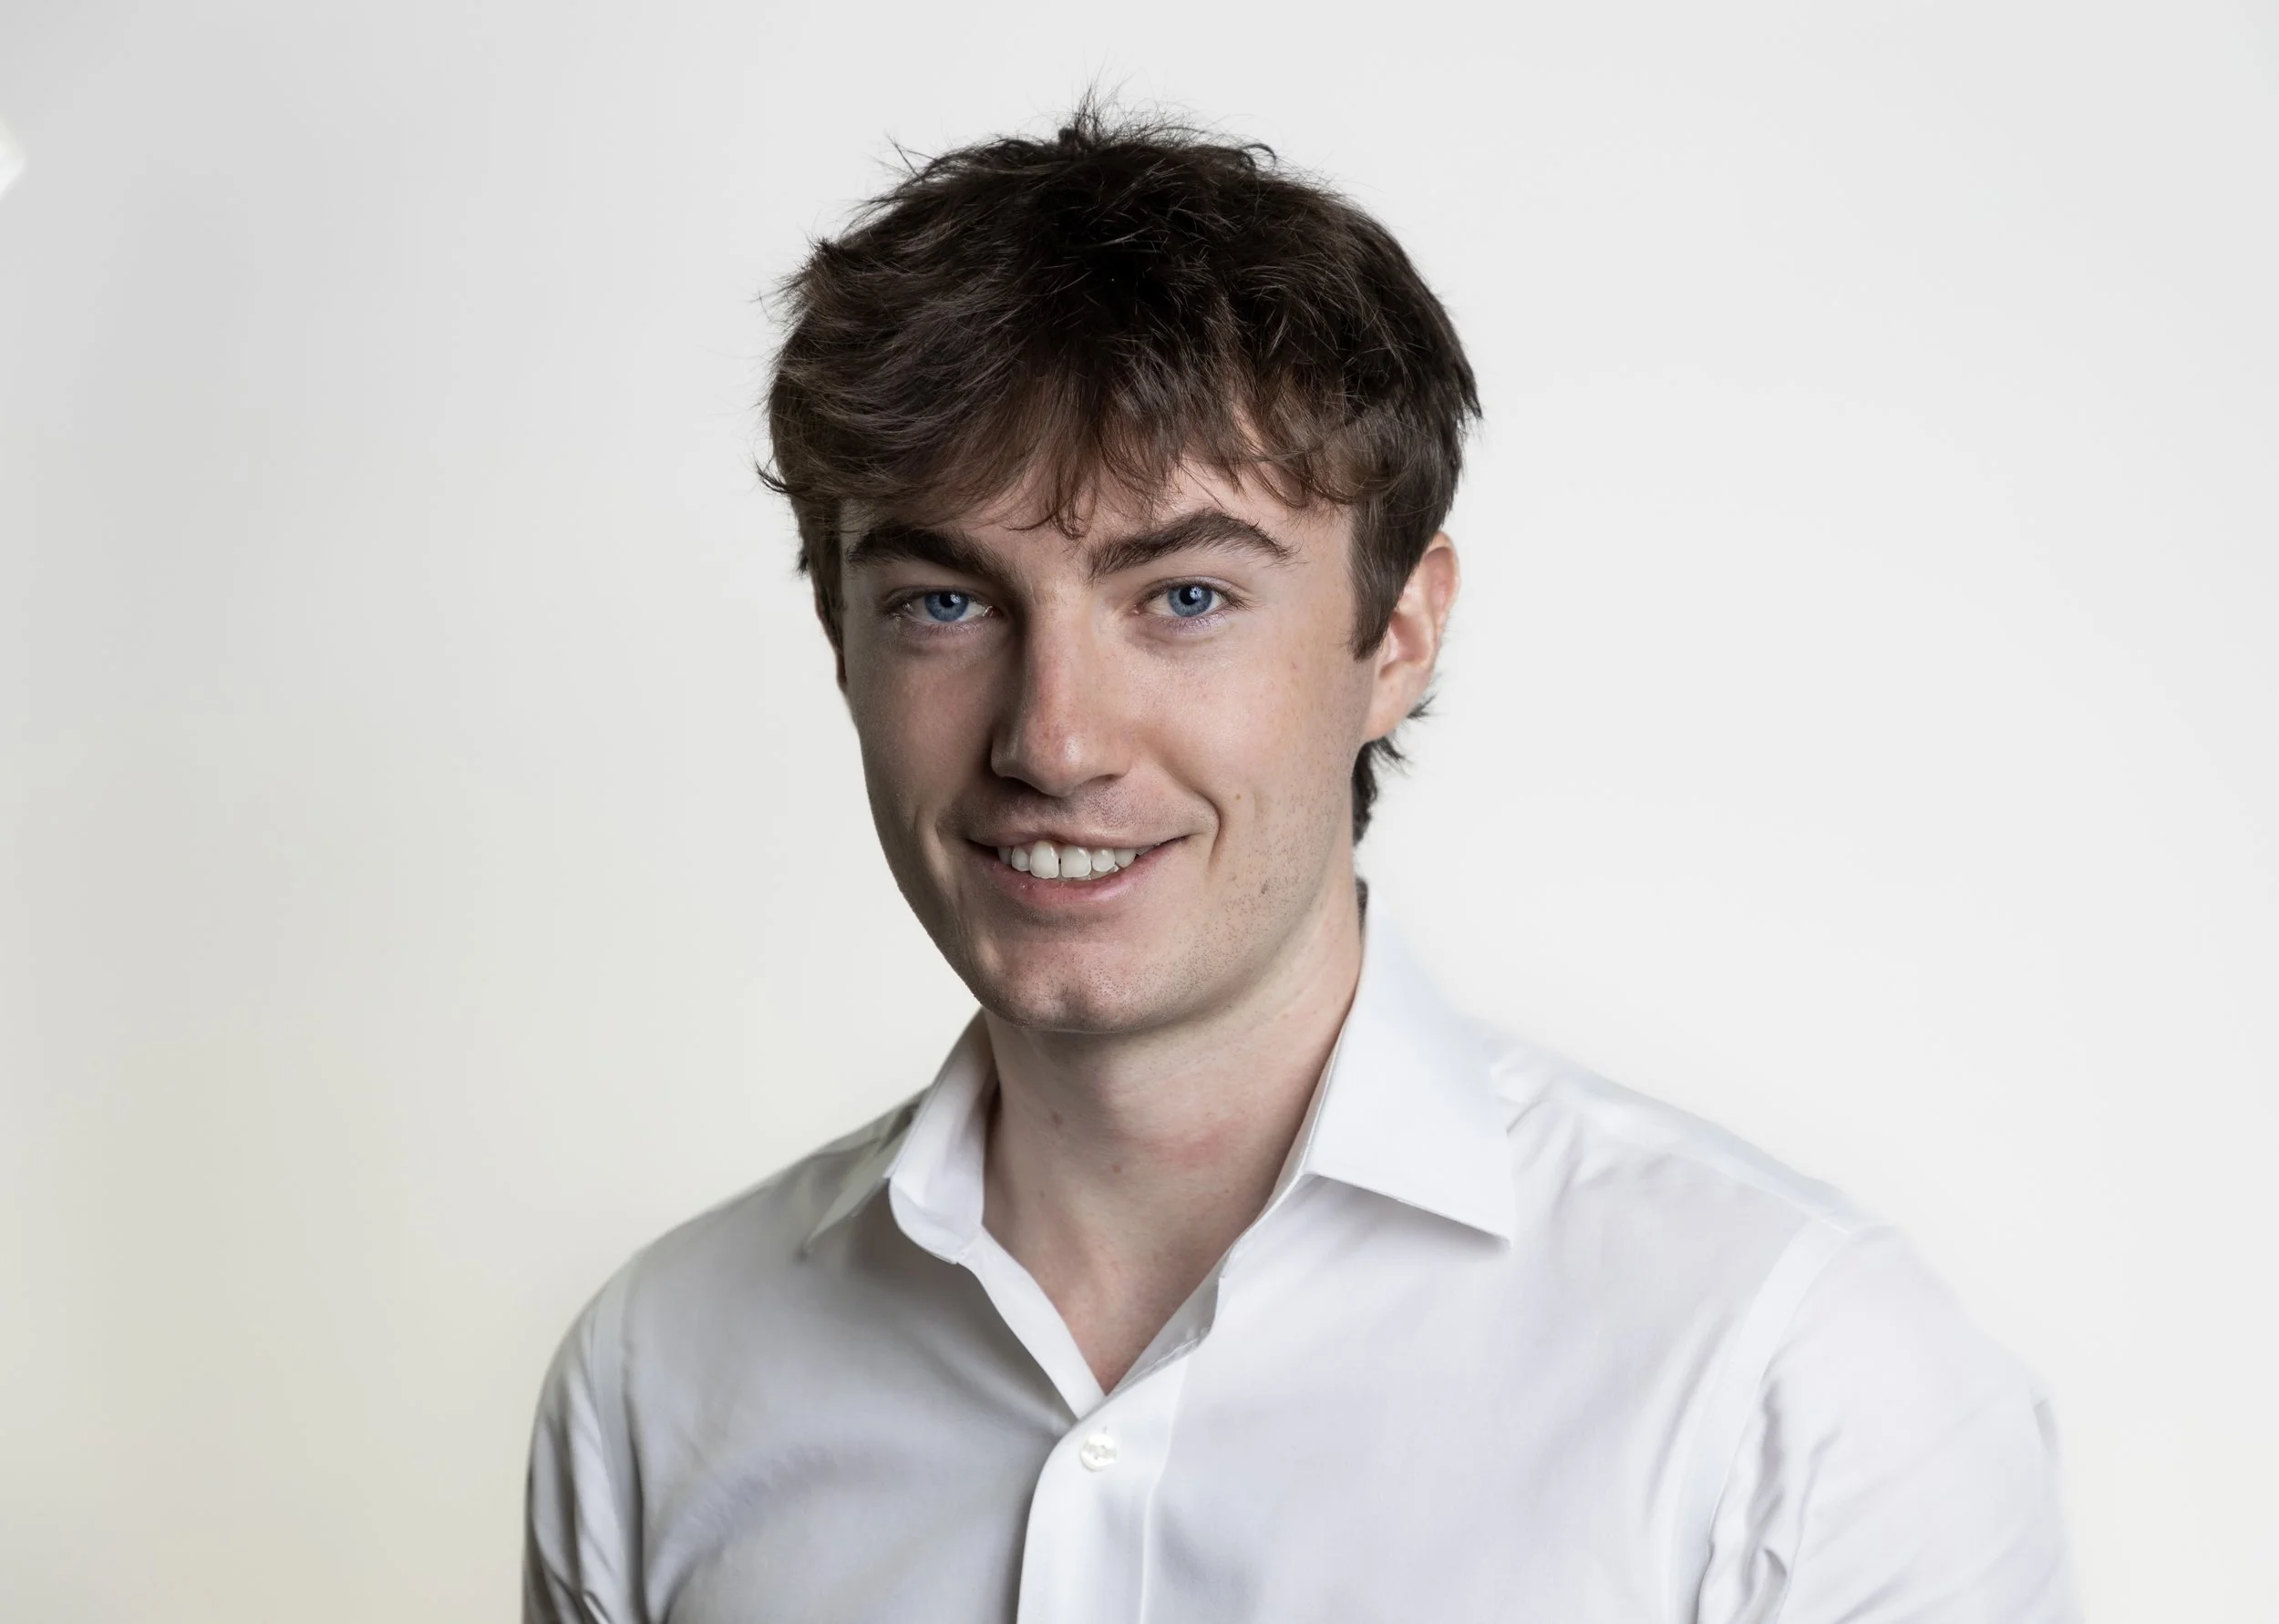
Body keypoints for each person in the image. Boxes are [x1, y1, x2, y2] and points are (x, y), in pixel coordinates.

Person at [523, 107, 2078, 1623]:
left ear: (1396, 636)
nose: (1054, 740)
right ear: (839, 638)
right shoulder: (661, 1378)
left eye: (1186, 597)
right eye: (946, 600)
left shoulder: (1793, 1391)